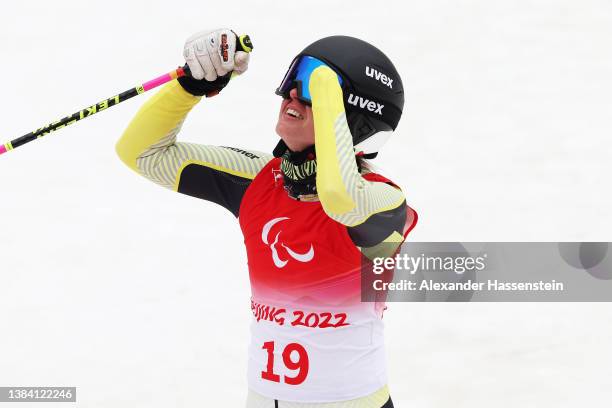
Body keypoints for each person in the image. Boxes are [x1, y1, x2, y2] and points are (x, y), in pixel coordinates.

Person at [116, 28, 417, 408]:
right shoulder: (260, 181)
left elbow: (340, 198)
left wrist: (324, 87)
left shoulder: (386, 201)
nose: (292, 93)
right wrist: (189, 87)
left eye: (311, 85)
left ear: (353, 117)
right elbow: (141, 153)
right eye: (295, 75)